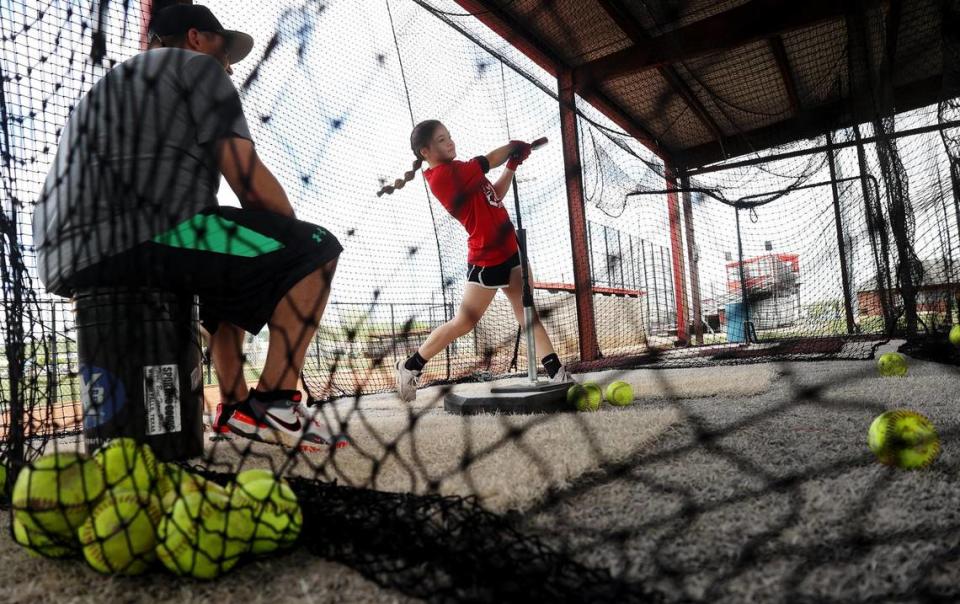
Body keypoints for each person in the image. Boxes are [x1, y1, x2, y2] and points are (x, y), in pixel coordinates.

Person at [32, 4, 344, 450]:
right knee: (316, 248)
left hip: (65, 253)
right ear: (196, 38)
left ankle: (235, 407)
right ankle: (274, 400)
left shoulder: (104, 89)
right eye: (224, 50)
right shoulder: (197, 67)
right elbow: (246, 178)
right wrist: (293, 256)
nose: (230, 65)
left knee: (225, 259)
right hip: (147, 233)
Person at [378, 120, 573, 401]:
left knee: (527, 313)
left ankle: (556, 373)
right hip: (486, 260)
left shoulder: (464, 173)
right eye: (442, 140)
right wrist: (512, 147)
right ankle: (410, 366)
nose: (451, 143)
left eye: (450, 137)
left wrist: (512, 165)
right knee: (463, 323)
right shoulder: (445, 176)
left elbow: (495, 195)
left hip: (511, 251)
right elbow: (489, 159)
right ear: (425, 152)